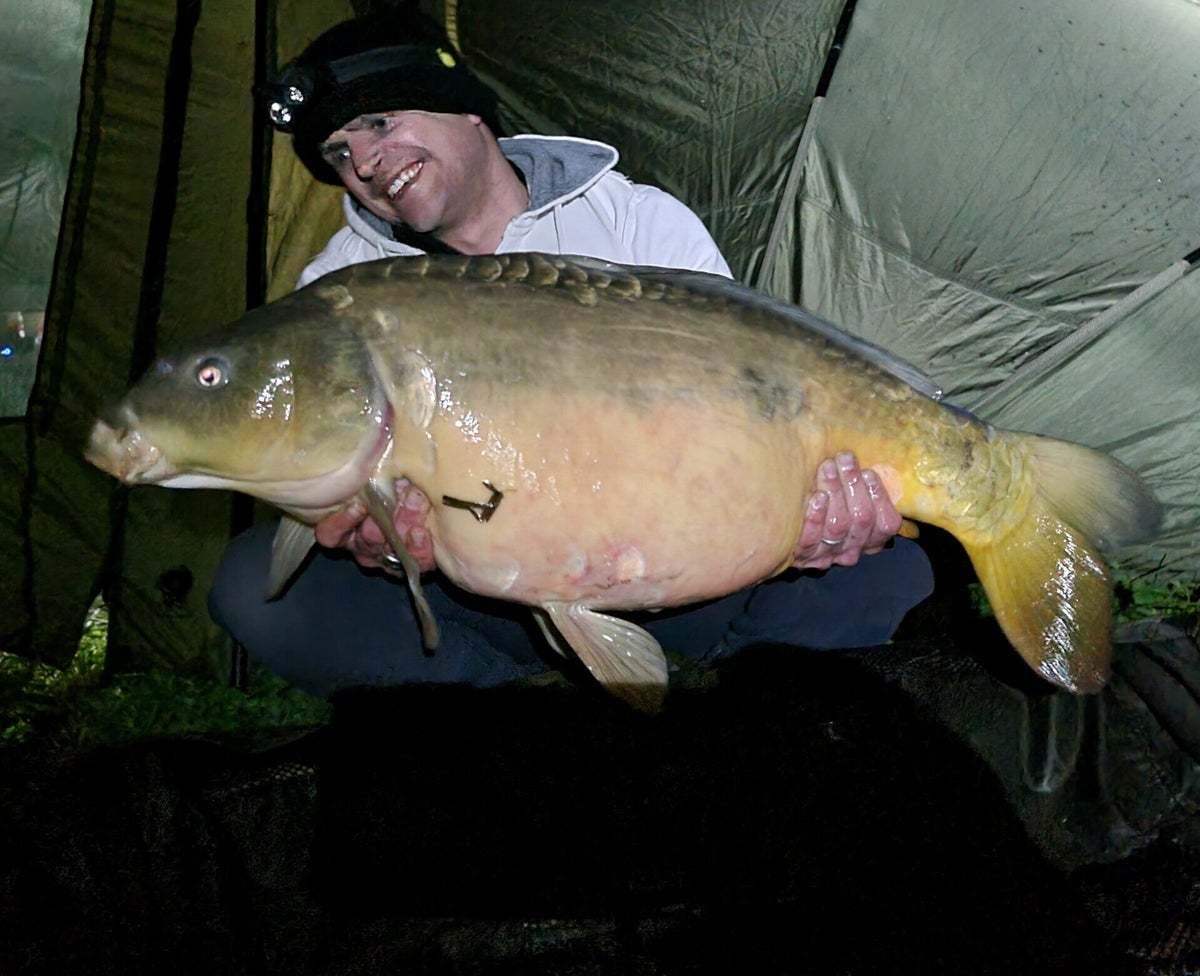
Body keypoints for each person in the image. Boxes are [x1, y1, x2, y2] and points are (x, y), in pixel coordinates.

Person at [209, 9, 934, 698]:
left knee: (884, 571)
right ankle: (519, 727)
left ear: (465, 108)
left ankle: (729, 726)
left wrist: (802, 517)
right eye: (339, 152)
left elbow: (745, 417)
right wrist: (381, 540)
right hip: (481, 593)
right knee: (256, 585)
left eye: (380, 122)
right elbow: (352, 499)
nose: (366, 161)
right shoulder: (339, 290)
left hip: (678, 572)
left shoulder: (637, 222)